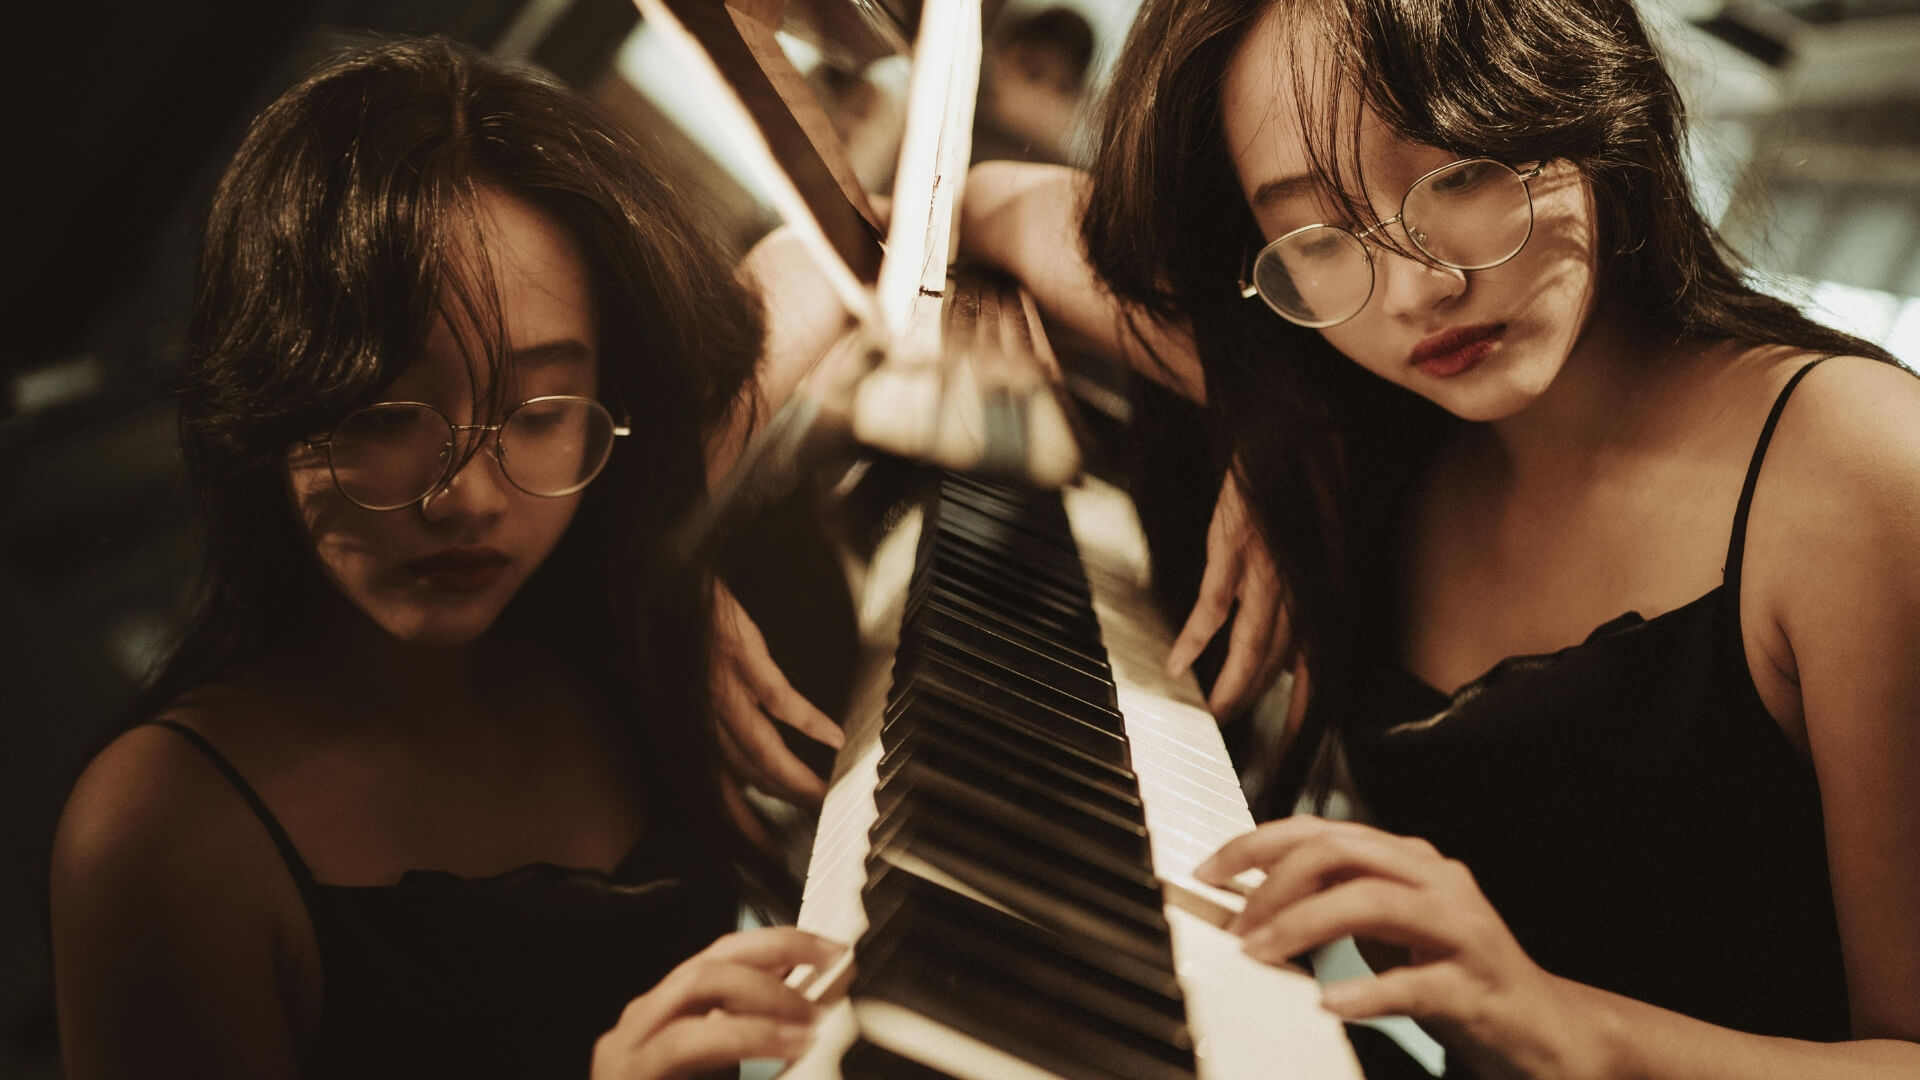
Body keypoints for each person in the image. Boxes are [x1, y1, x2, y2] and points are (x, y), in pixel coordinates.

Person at [959, 0, 1920, 1075]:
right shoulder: (1371, 411)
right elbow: (992, 200)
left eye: (1459, 176)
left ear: (1589, 102)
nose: (1421, 289)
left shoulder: (1861, 466)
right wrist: (1272, 427)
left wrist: (1562, 1024)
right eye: (1314, 233)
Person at [48, 38, 843, 1080]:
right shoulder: (160, 831)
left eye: (542, 408)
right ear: (269, 403)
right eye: (387, 413)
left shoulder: (604, 571)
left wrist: (993, 195)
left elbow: (833, 258)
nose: (470, 497)